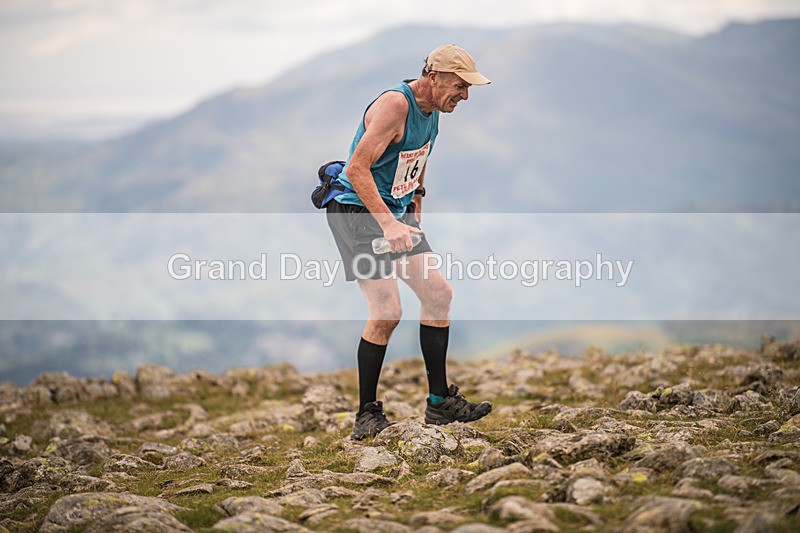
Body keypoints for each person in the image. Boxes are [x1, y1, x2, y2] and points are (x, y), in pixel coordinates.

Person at [326, 44, 493, 440]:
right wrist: (389, 224)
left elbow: (416, 161)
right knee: (387, 311)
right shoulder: (394, 105)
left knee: (438, 294)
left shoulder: (434, 110)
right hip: (358, 213)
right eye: (460, 86)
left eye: (469, 88)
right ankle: (366, 415)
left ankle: (439, 404)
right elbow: (356, 168)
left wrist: (414, 207)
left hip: (395, 215)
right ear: (433, 78)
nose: (465, 96)